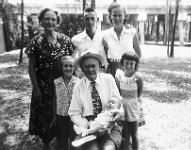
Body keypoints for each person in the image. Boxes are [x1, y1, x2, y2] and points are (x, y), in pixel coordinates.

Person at [25, 8, 74, 150]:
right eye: (47, 18)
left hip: (62, 86)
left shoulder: (65, 40)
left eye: (53, 19)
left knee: (62, 115)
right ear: (41, 21)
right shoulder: (35, 42)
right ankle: (46, 143)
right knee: (44, 119)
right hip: (43, 88)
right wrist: (36, 88)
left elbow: (71, 62)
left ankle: (61, 141)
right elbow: (31, 67)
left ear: (57, 22)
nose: (50, 21)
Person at [68, 49, 123, 150]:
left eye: (93, 66)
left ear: (99, 65)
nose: (90, 70)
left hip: (109, 125)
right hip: (89, 127)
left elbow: (118, 102)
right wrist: (87, 125)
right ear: (82, 69)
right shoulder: (78, 86)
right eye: (86, 67)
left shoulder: (108, 80)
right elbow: (74, 113)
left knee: (108, 148)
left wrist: (115, 116)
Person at [104, 2, 142, 77]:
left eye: (120, 15)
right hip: (111, 71)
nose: (117, 18)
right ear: (110, 16)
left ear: (124, 16)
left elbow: (139, 54)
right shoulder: (105, 35)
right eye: (114, 15)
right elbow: (103, 56)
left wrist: (133, 68)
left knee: (127, 88)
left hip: (128, 70)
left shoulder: (132, 33)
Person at [115, 51, 143, 150]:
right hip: (123, 107)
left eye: (132, 63)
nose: (129, 65)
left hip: (133, 106)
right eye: (126, 63)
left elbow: (140, 92)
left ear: (135, 64)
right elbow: (119, 91)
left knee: (134, 134)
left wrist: (134, 101)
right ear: (122, 63)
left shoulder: (137, 77)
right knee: (125, 134)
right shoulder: (120, 76)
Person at [52, 56, 79, 150]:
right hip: (60, 116)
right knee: (61, 140)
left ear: (74, 68)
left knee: (74, 140)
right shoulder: (56, 82)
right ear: (61, 67)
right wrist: (54, 117)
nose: (68, 68)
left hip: (74, 117)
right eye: (65, 66)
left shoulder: (78, 82)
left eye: (71, 66)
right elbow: (54, 99)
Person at [71, 7, 107, 72]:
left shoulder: (105, 37)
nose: (90, 22)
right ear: (83, 20)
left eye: (92, 19)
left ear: (97, 19)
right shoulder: (75, 40)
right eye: (87, 19)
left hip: (102, 77)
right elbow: (73, 63)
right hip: (83, 77)